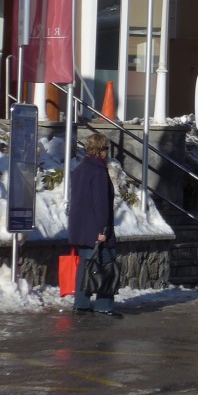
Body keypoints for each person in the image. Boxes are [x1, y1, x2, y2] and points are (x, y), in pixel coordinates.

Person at [68, 132, 122, 317]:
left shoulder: (79, 170)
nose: (107, 153)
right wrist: (103, 230)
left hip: (81, 229)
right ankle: (104, 305)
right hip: (97, 229)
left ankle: (81, 304)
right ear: (101, 150)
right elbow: (100, 204)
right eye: (106, 148)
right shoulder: (99, 172)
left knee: (86, 265)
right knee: (106, 265)